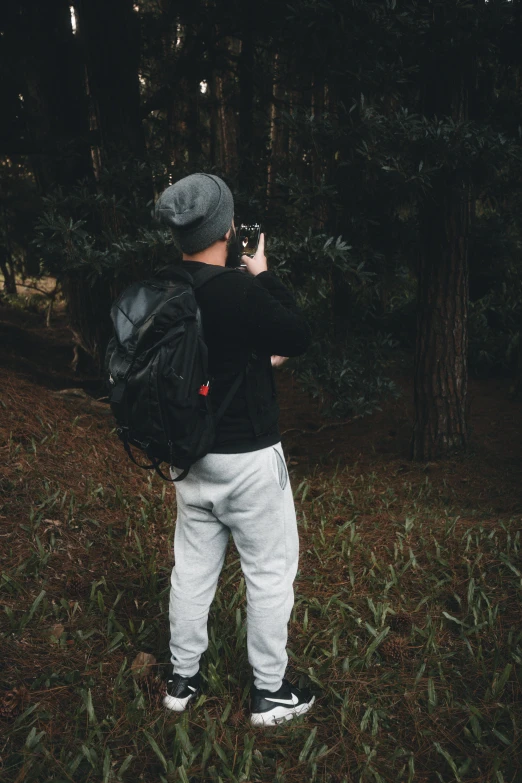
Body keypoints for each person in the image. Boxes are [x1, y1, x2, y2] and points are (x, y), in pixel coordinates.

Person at [155, 173, 314, 726]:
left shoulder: (165, 287)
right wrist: (264, 274)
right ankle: (270, 693)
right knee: (269, 573)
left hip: (188, 456)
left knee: (191, 571)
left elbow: (199, 361)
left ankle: (182, 681)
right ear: (226, 227)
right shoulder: (238, 290)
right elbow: (295, 334)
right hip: (247, 459)